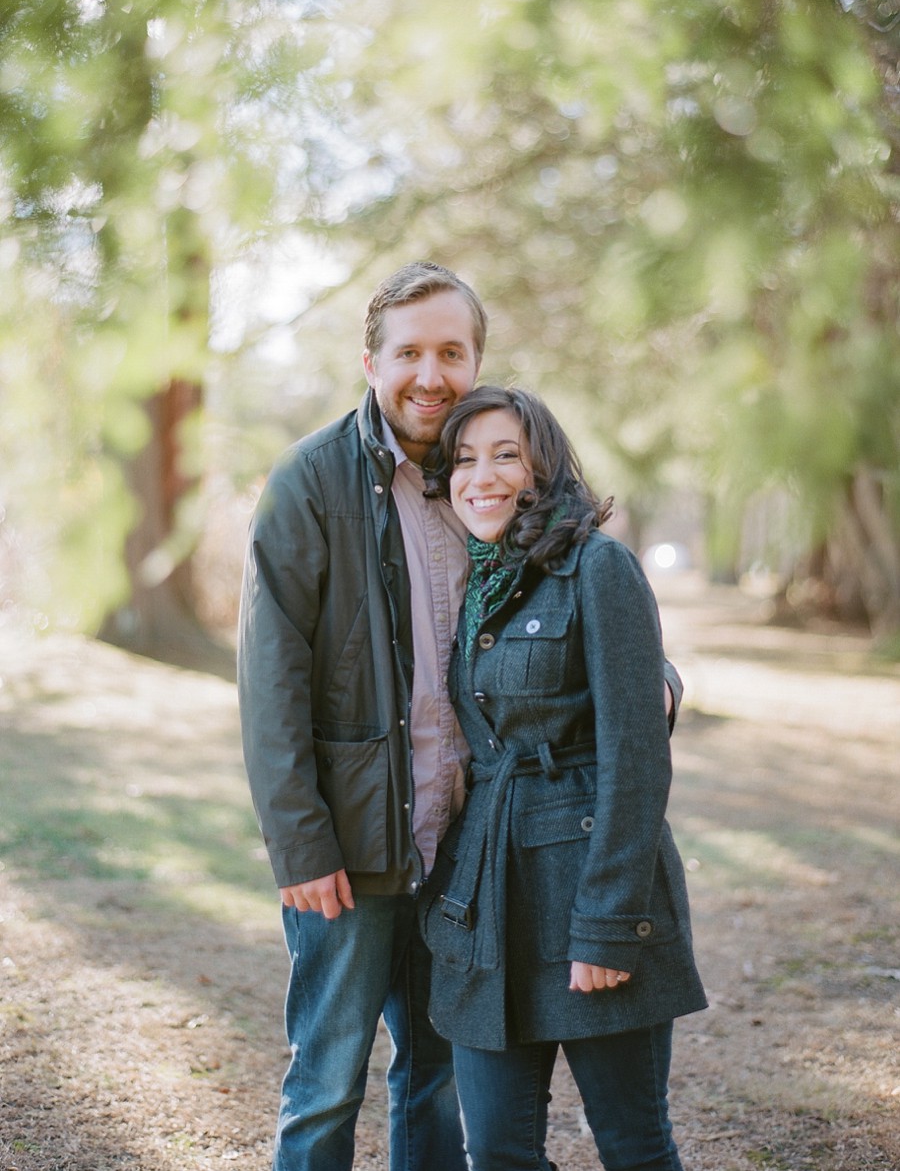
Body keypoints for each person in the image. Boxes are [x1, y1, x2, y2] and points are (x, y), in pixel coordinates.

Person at [238, 263, 682, 1171]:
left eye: (451, 351)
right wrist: (301, 841)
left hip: (469, 854)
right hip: (353, 852)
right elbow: (269, 680)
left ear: (476, 358)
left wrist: (656, 676)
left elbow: (573, 604)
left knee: (436, 1079)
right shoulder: (313, 484)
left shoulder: (481, 479)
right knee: (327, 1081)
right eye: (409, 352)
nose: (429, 374)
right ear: (371, 362)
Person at [420, 385, 707, 1171]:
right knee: (500, 1153)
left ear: (544, 467)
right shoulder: (466, 586)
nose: (482, 476)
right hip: (490, 898)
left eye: (506, 454)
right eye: (463, 459)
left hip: (588, 889)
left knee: (634, 1146)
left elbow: (637, 761)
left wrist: (608, 923)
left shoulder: (598, 567)